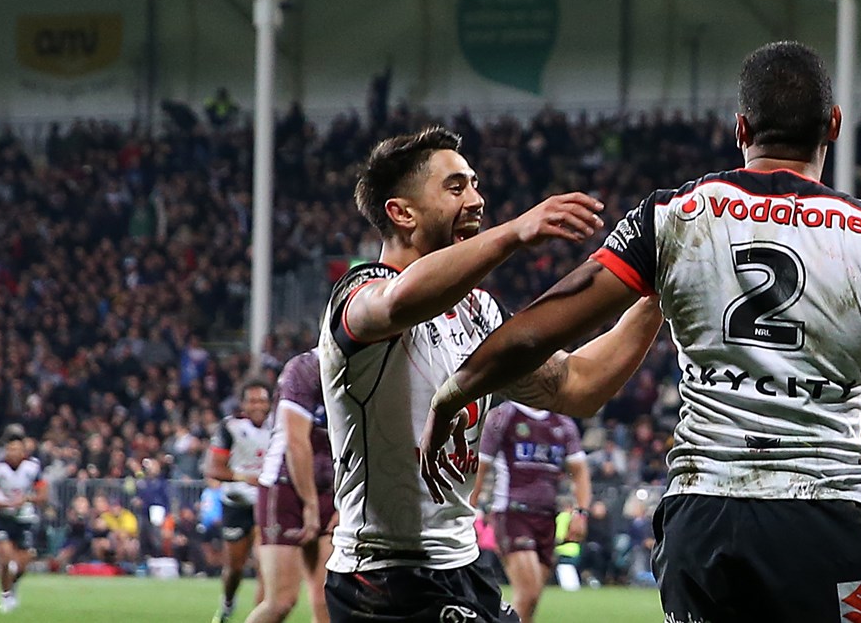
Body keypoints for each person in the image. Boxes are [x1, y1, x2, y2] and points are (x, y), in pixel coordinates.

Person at [424, 41, 861, 622]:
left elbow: (533, 333)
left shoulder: (675, 215)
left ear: (741, 129)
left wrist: (453, 393)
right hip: (822, 523)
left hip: (705, 519)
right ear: (832, 125)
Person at [318, 126, 663, 623]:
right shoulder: (360, 293)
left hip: (461, 568)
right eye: (456, 187)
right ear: (401, 213)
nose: (477, 200)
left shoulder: (478, 311)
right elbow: (399, 300)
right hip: (385, 578)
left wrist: (654, 297)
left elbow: (575, 385)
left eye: (475, 185)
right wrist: (518, 231)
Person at [471, 401, 591, 623]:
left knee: (530, 601)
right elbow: (481, 466)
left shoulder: (562, 423)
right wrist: (470, 509)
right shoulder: (504, 416)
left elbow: (580, 470)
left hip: (547, 517)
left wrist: (581, 512)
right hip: (512, 512)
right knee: (528, 593)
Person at [247, 352, 337, 623]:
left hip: (331, 490)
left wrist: (346, 504)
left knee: (327, 601)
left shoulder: (366, 369)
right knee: (281, 601)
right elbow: (295, 442)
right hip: (285, 486)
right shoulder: (306, 367)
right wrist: (309, 504)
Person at [206, 378, 274, 623]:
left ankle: (263, 616)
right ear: (243, 403)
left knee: (264, 565)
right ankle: (228, 602)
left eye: (262, 400)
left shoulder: (279, 425)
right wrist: (245, 477)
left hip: (267, 503)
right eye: (252, 400)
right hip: (236, 502)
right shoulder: (230, 427)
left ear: (270, 402)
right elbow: (214, 469)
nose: (257, 405)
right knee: (235, 568)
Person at [0, 427, 46, 613]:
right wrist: (4, 504)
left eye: (17, 449)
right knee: (5, 556)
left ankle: (12, 584)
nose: (14, 453)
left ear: (23, 450)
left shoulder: (33, 467)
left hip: (24, 516)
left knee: (24, 562)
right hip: (1, 516)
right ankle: (6, 595)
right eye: (10, 449)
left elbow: (43, 495)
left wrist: (26, 499)